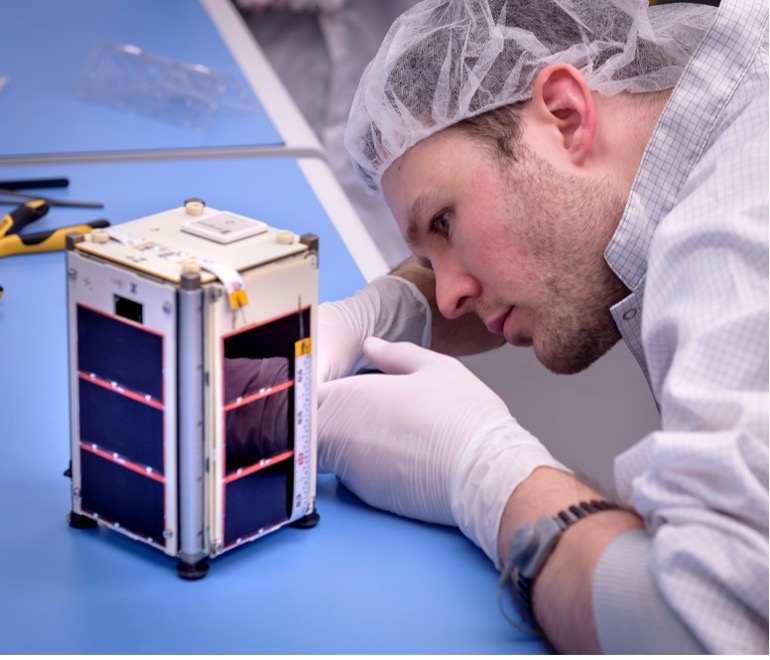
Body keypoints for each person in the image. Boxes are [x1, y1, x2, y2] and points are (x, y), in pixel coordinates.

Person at [314, 0, 769, 654]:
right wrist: (380, 311)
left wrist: (487, 475)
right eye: (426, 259)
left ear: (564, 115)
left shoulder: (729, 255)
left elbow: (699, 631)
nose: (446, 300)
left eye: (444, 222)